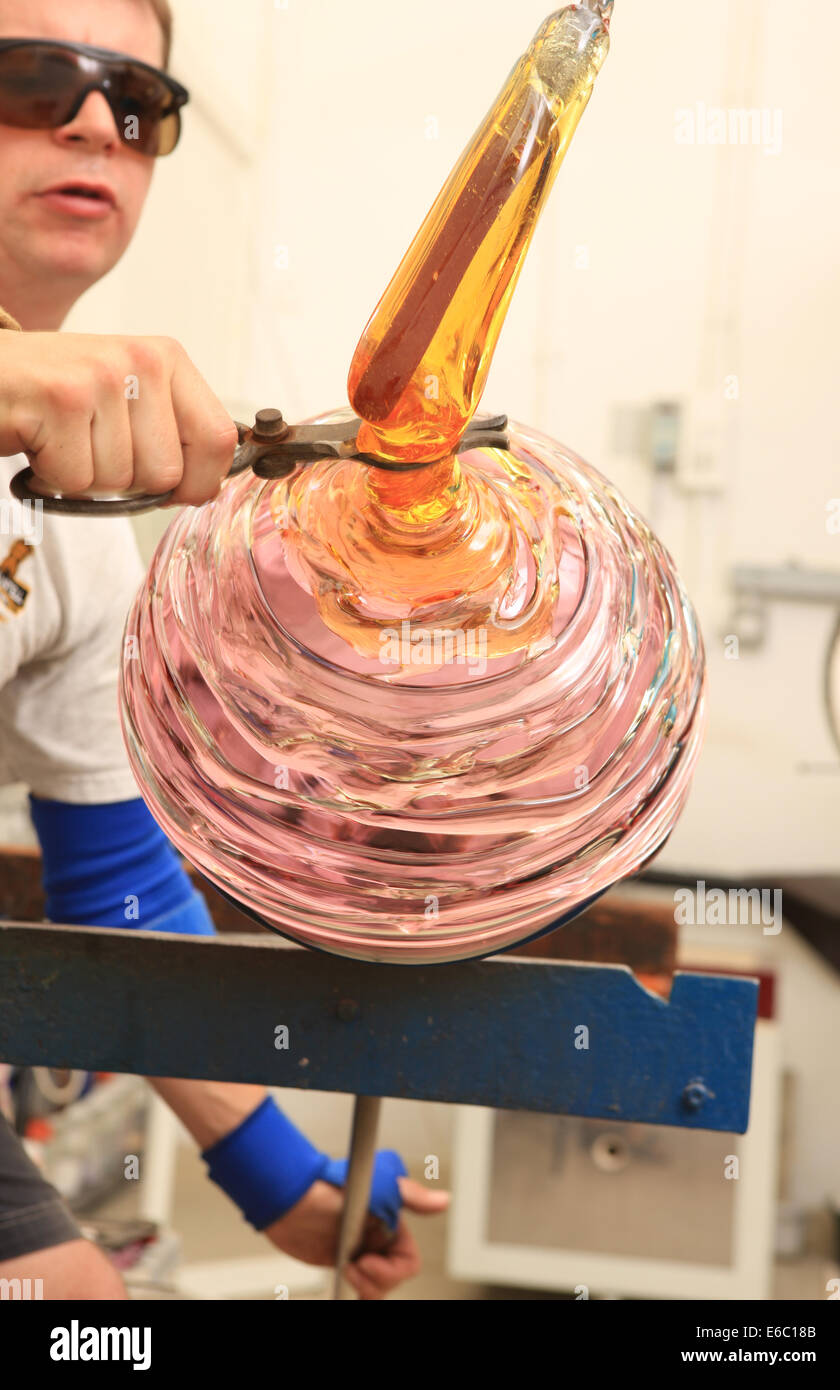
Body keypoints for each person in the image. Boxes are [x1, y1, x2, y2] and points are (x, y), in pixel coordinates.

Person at [0, 0, 448, 1300]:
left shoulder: (75, 530)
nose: (95, 120)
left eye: (136, 103)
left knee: (87, 1320)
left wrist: (282, 1179)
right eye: (34, 80)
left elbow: (118, 881)